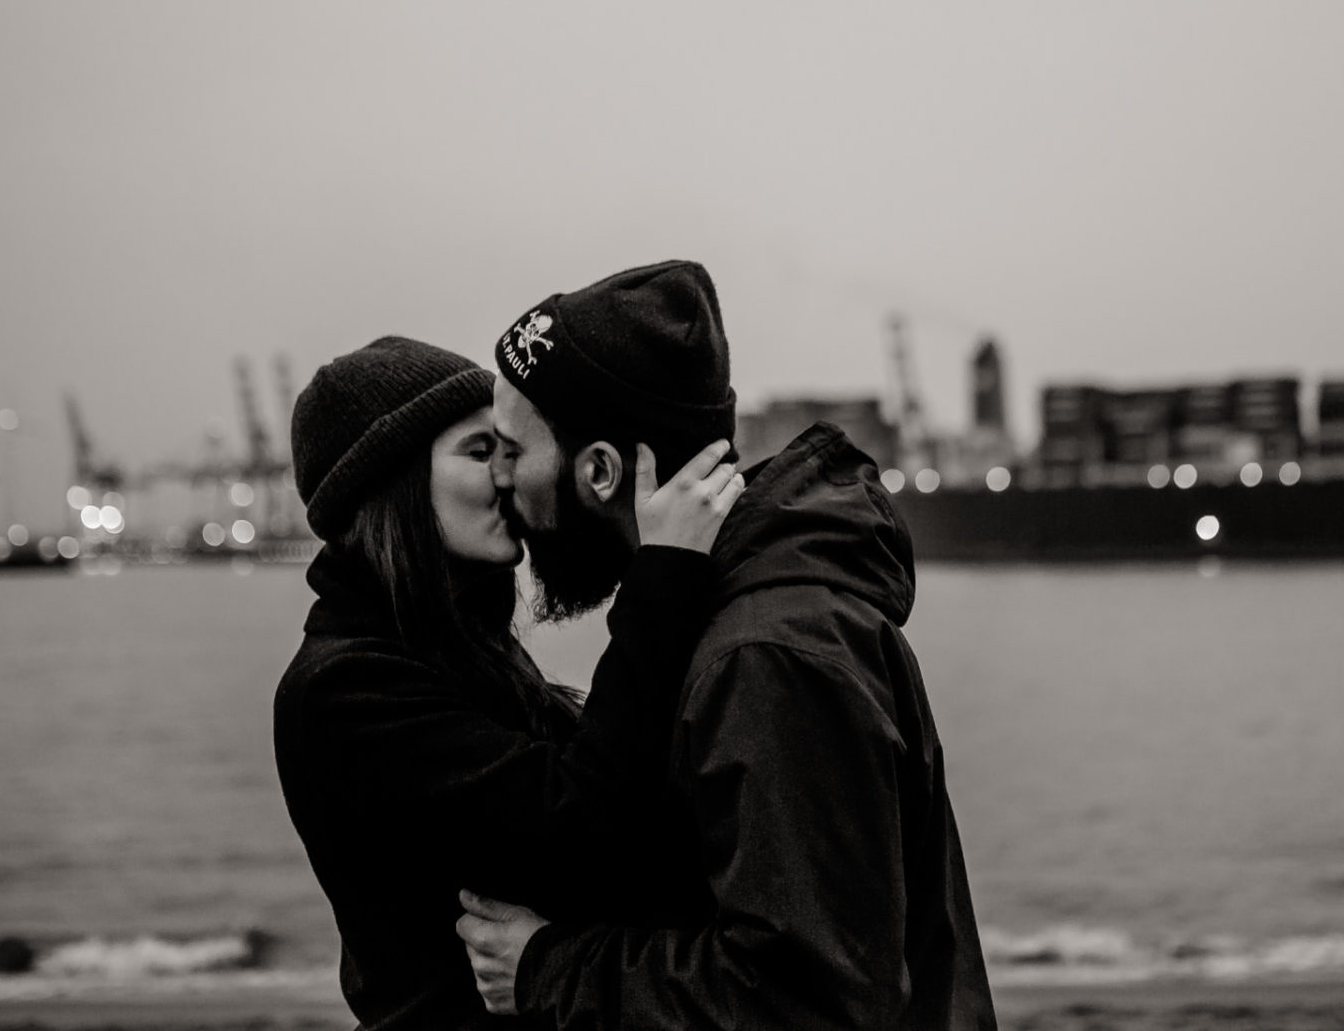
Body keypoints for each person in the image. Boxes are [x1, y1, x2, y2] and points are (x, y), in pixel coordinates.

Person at [457, 261, 998, 1031]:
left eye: (513, 450)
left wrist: (549, 969)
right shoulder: (731, 615)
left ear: (601, 472)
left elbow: (810, 1003)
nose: (501, 478)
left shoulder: (767, 656)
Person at [273, 335, 745, 1031]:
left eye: (504, 447)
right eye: (476, 451)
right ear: (391, 483)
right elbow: (584, 826)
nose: (507, 474)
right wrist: (664, 575)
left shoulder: (452, 645)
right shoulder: (344, 689)